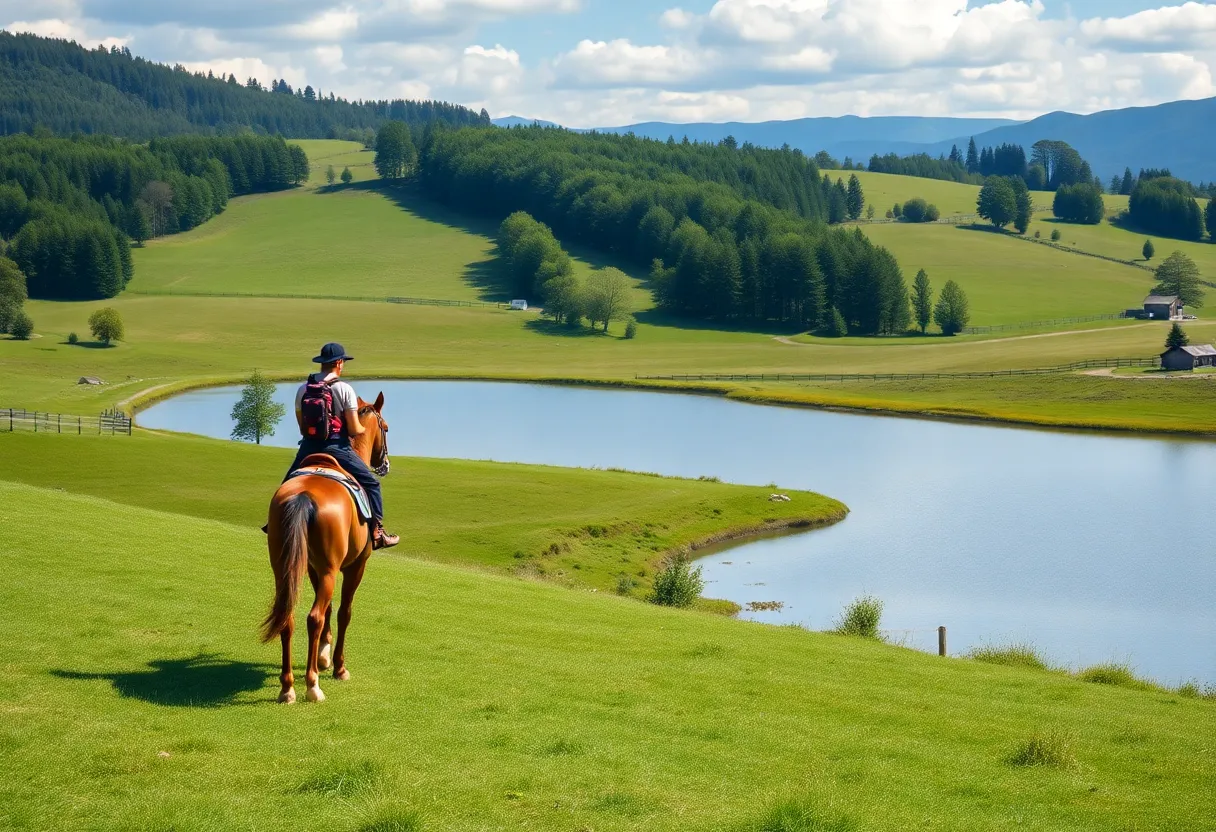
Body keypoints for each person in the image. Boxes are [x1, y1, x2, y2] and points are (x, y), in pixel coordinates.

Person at [283, 342, 399, 549]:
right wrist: (364, 430)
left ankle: (274, 524)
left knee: (286, 484)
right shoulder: (344, 389)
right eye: (343, 362)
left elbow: (302, 428)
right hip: (338, 448)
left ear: (321, 364)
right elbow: (354, 430)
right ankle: (378, 531)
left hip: (308, 448)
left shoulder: (303, 389)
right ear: (338, 363)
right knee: (372, 484)